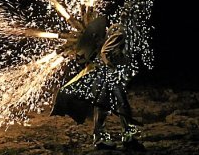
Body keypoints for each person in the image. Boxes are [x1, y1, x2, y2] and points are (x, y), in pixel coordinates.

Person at [51, 16, 145, 151]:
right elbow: (105, 51)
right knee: (119, 104)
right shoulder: (121, 31)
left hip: (103, 74)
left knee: (104, 106)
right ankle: (126, 137)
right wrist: (111, 66)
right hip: (108, 75)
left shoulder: (116, 30)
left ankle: (104, 138)